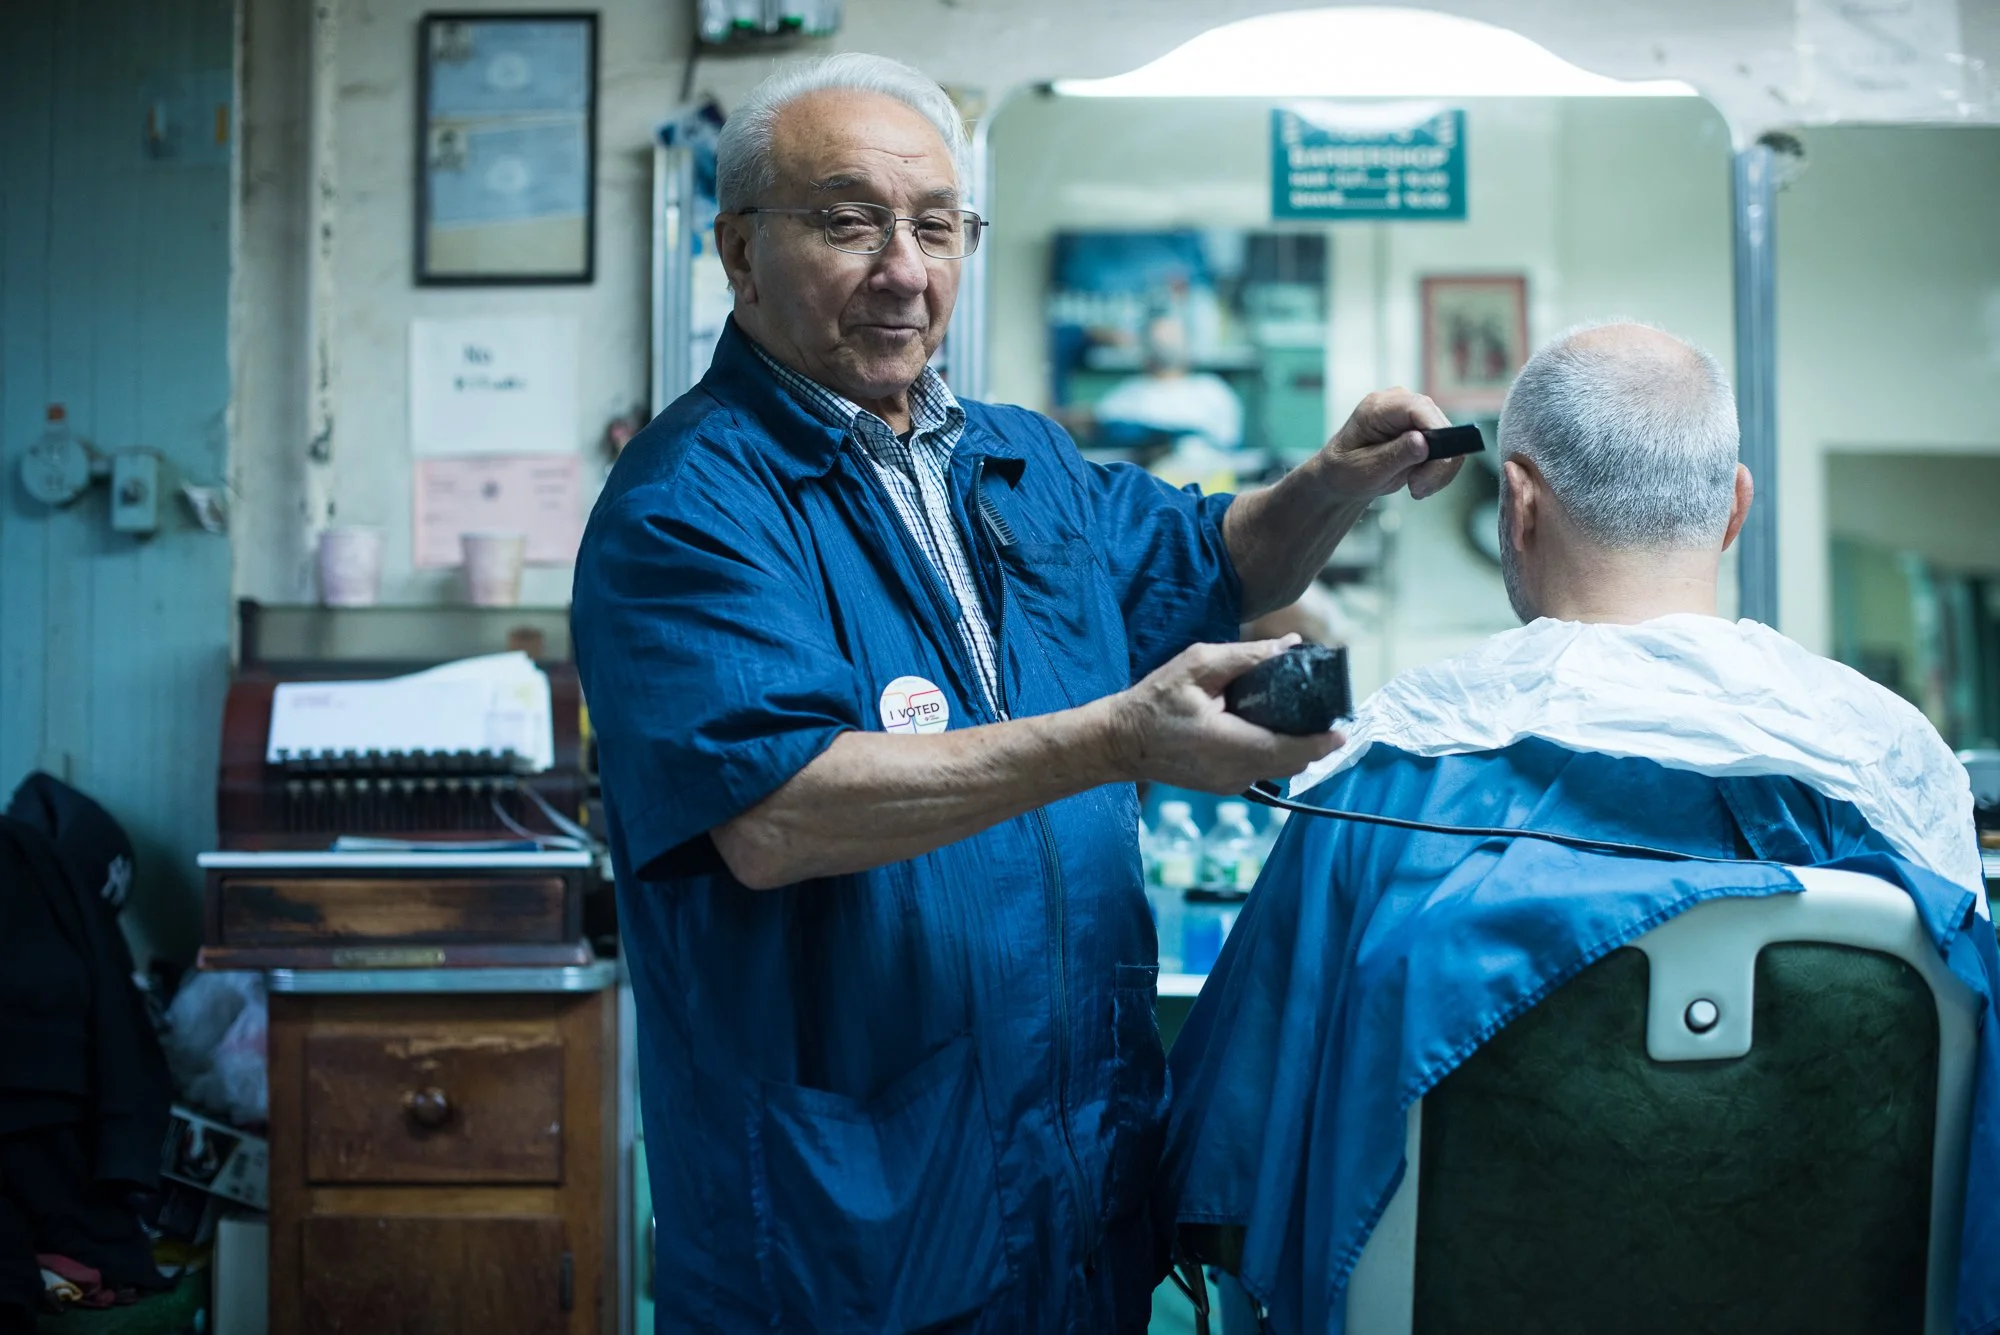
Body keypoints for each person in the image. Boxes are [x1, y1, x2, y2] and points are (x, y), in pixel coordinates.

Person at [569, 52, 1464, 1334]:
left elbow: (1207, 560)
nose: (903, 268)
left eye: (935, 226)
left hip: (1071, 1177)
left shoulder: (1014, 459)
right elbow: (773, 814)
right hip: (850, 1215)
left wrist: (1333, 479)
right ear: (738, 251)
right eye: (848, 221)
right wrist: (1113, 741)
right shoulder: (689, 506)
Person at [1156, 322, 2000, 1332]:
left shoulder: (1386, 775)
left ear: (1515, 503)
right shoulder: (1889, 764)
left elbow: (1233, 1179)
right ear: (1733, 508)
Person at [1091, 313, 1245, 452]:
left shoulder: (1213, 391)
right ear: (1145, 346)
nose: (1166, 344)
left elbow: (1228, 445)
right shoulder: (1124, 397)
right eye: (1159, 338)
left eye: (1173, 337)